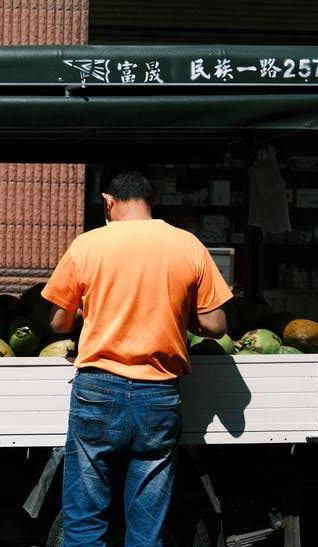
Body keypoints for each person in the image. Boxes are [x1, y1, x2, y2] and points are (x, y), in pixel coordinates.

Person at [42, 166, 233, 546]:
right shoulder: (188, 245)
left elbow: (59, 324)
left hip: (97, 391)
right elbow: (216, 325)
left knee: (85, 518)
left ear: (108, 202)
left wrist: (86, 311)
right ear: (153, 202)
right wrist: (182, 318)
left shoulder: (87, 245)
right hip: (159, 393)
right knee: (147, 526)